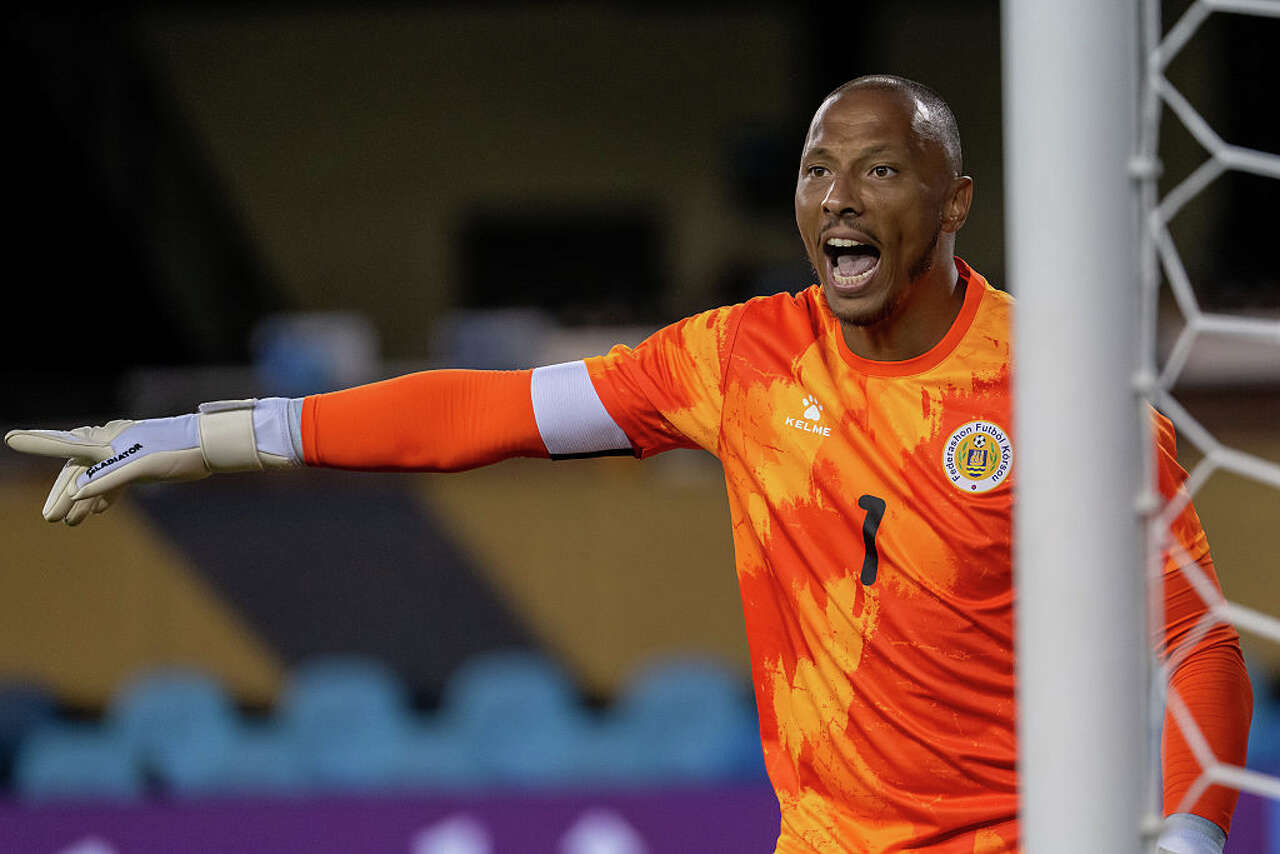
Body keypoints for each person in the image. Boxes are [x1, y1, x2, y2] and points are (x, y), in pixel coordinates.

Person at [5, 75, 1252, 854]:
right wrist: (218, 435)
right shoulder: (741, 357)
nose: (838, 197)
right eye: (820, 170)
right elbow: (482, 414)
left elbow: (1193, 641)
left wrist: (1191, 833)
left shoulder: (1061, 383)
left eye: (879, 169)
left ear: (954, 198)